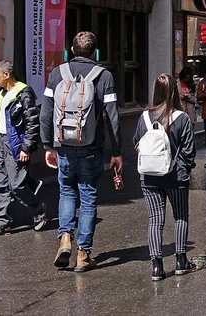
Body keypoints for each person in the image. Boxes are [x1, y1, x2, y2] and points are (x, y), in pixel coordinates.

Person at [41, 31, 123, 272]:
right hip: (91, 147)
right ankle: (83, 254)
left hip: (63, 146)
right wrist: (116, 151)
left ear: (72, 51)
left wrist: (48, 146)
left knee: (66, 191)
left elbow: (46, 112)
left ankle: (65, 237)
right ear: (95, 52)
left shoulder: (57, 73)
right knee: (87, 197)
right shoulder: (104, 76)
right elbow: (113, 117)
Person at [132, 73, 197, 281]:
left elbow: (136, 142)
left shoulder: (144, 117)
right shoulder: (181, 118)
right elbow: (189, 151)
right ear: (174, 92)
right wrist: (184, 167)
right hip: (176, 176)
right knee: (180, 217)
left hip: (149, 176)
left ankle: (157, 267)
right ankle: (180, 261)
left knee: (155, 220)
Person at [0, 60, 46, 236]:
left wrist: (26, 147)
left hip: (16, 145)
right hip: (0, 142)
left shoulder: (23, 93)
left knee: (17, 185)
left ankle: (38, 209)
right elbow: (2, 120)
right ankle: (1, 221)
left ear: (6, 75)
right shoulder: (1, 93)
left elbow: (32, 122)